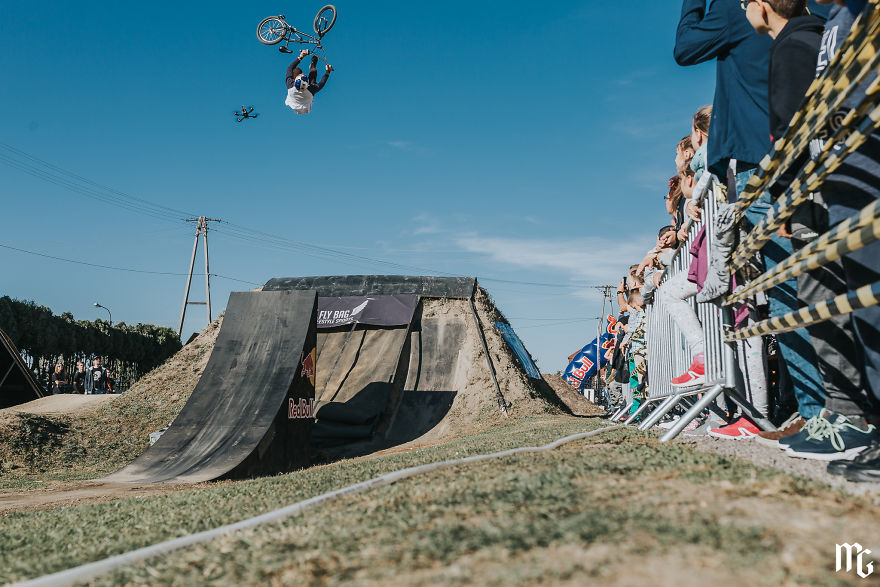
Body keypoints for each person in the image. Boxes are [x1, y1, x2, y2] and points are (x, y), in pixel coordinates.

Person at [778, 0, 880, 468]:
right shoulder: (837, 19)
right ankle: (855, 418)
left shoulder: (812, 32)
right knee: (859, 304)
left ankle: (851, 416)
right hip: (840, 175)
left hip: (862, 169)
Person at [674, 0, 772, 184]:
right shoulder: (810, 7)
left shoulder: (735, 7)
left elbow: (685, 48)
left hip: (755, 149)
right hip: (804, 136)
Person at [285, 50, 333, 114]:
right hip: (305, 106)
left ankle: (312, 66)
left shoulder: (290, 85)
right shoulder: (311, 90)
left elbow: (290, 68)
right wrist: (328, 71)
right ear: (308, 85)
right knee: (313, 74)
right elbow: (321, 83)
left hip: (294, 104)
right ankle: (313, 65)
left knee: (296, 70)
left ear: (295, 81)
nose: (302, 74)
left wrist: (301, 56)